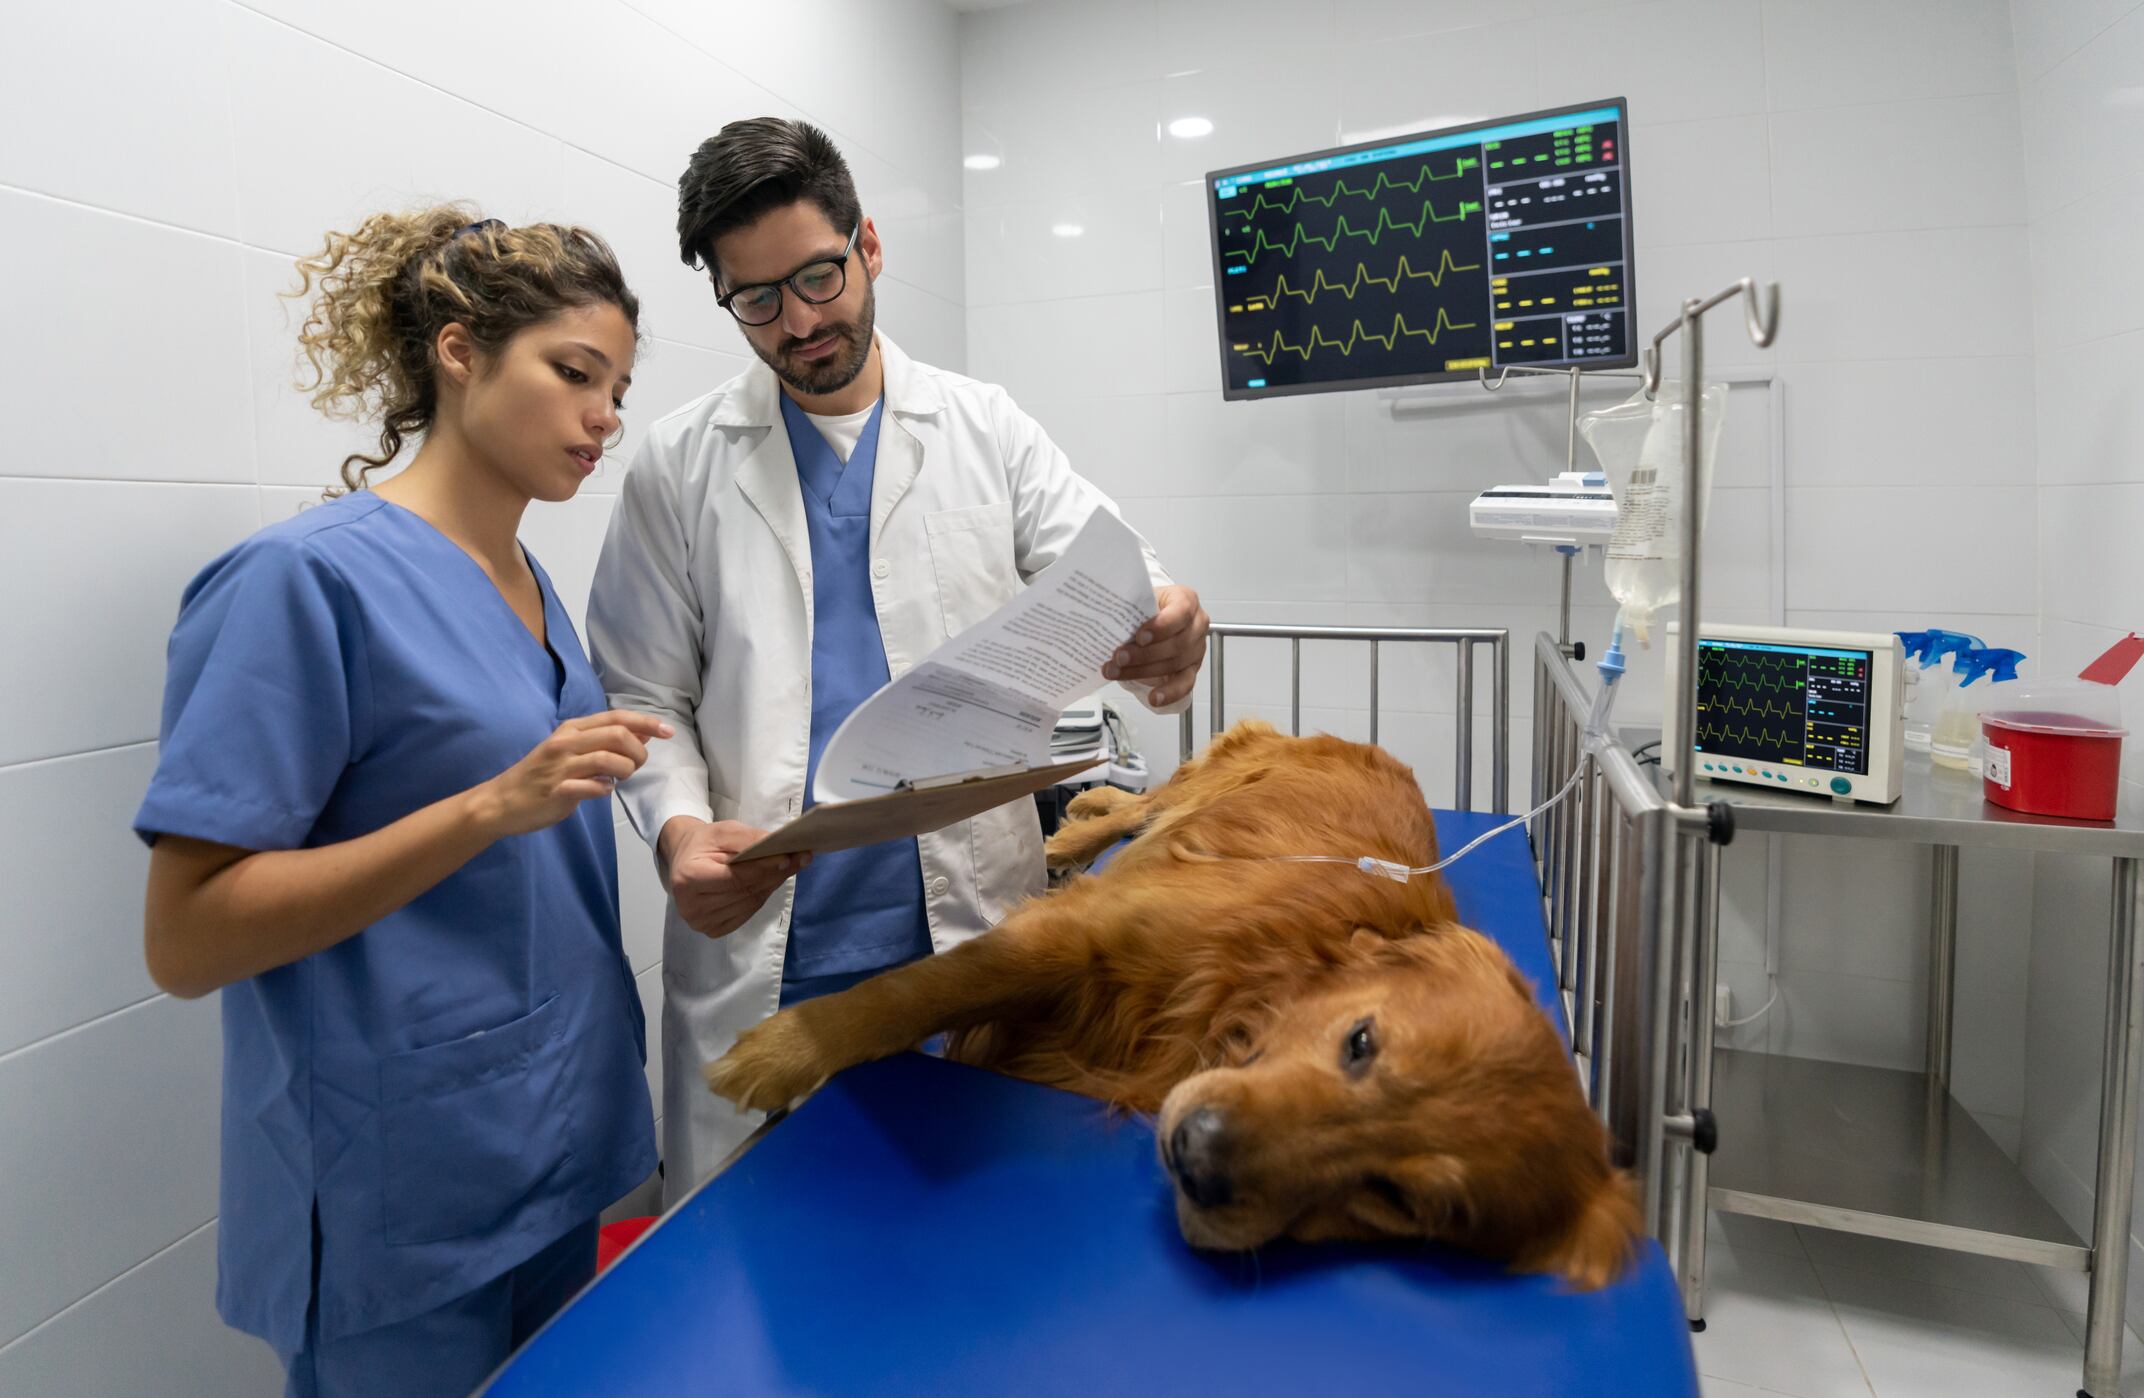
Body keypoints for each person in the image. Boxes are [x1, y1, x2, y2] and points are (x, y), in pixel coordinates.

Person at [588, 117, 1210, 1201]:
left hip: (964, 932)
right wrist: (681, 830)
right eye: (757, 300)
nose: (798, 320)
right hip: (768, 941)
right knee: (761, 1283)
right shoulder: (676, 466)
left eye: (817, 277)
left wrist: (1168, 617)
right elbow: (643, 692)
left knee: (971, 1257)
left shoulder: (984, 427)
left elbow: (1119, 576)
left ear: (867, 244)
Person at [135, 206, 666, 1397]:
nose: (604, 417)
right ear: (459, 350)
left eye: (617, 387)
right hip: (399, 1193)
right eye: (574, 373)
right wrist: (484, 809)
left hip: (553, 1149)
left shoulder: (528, 581)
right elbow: (186, 936)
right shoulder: (300, 581)